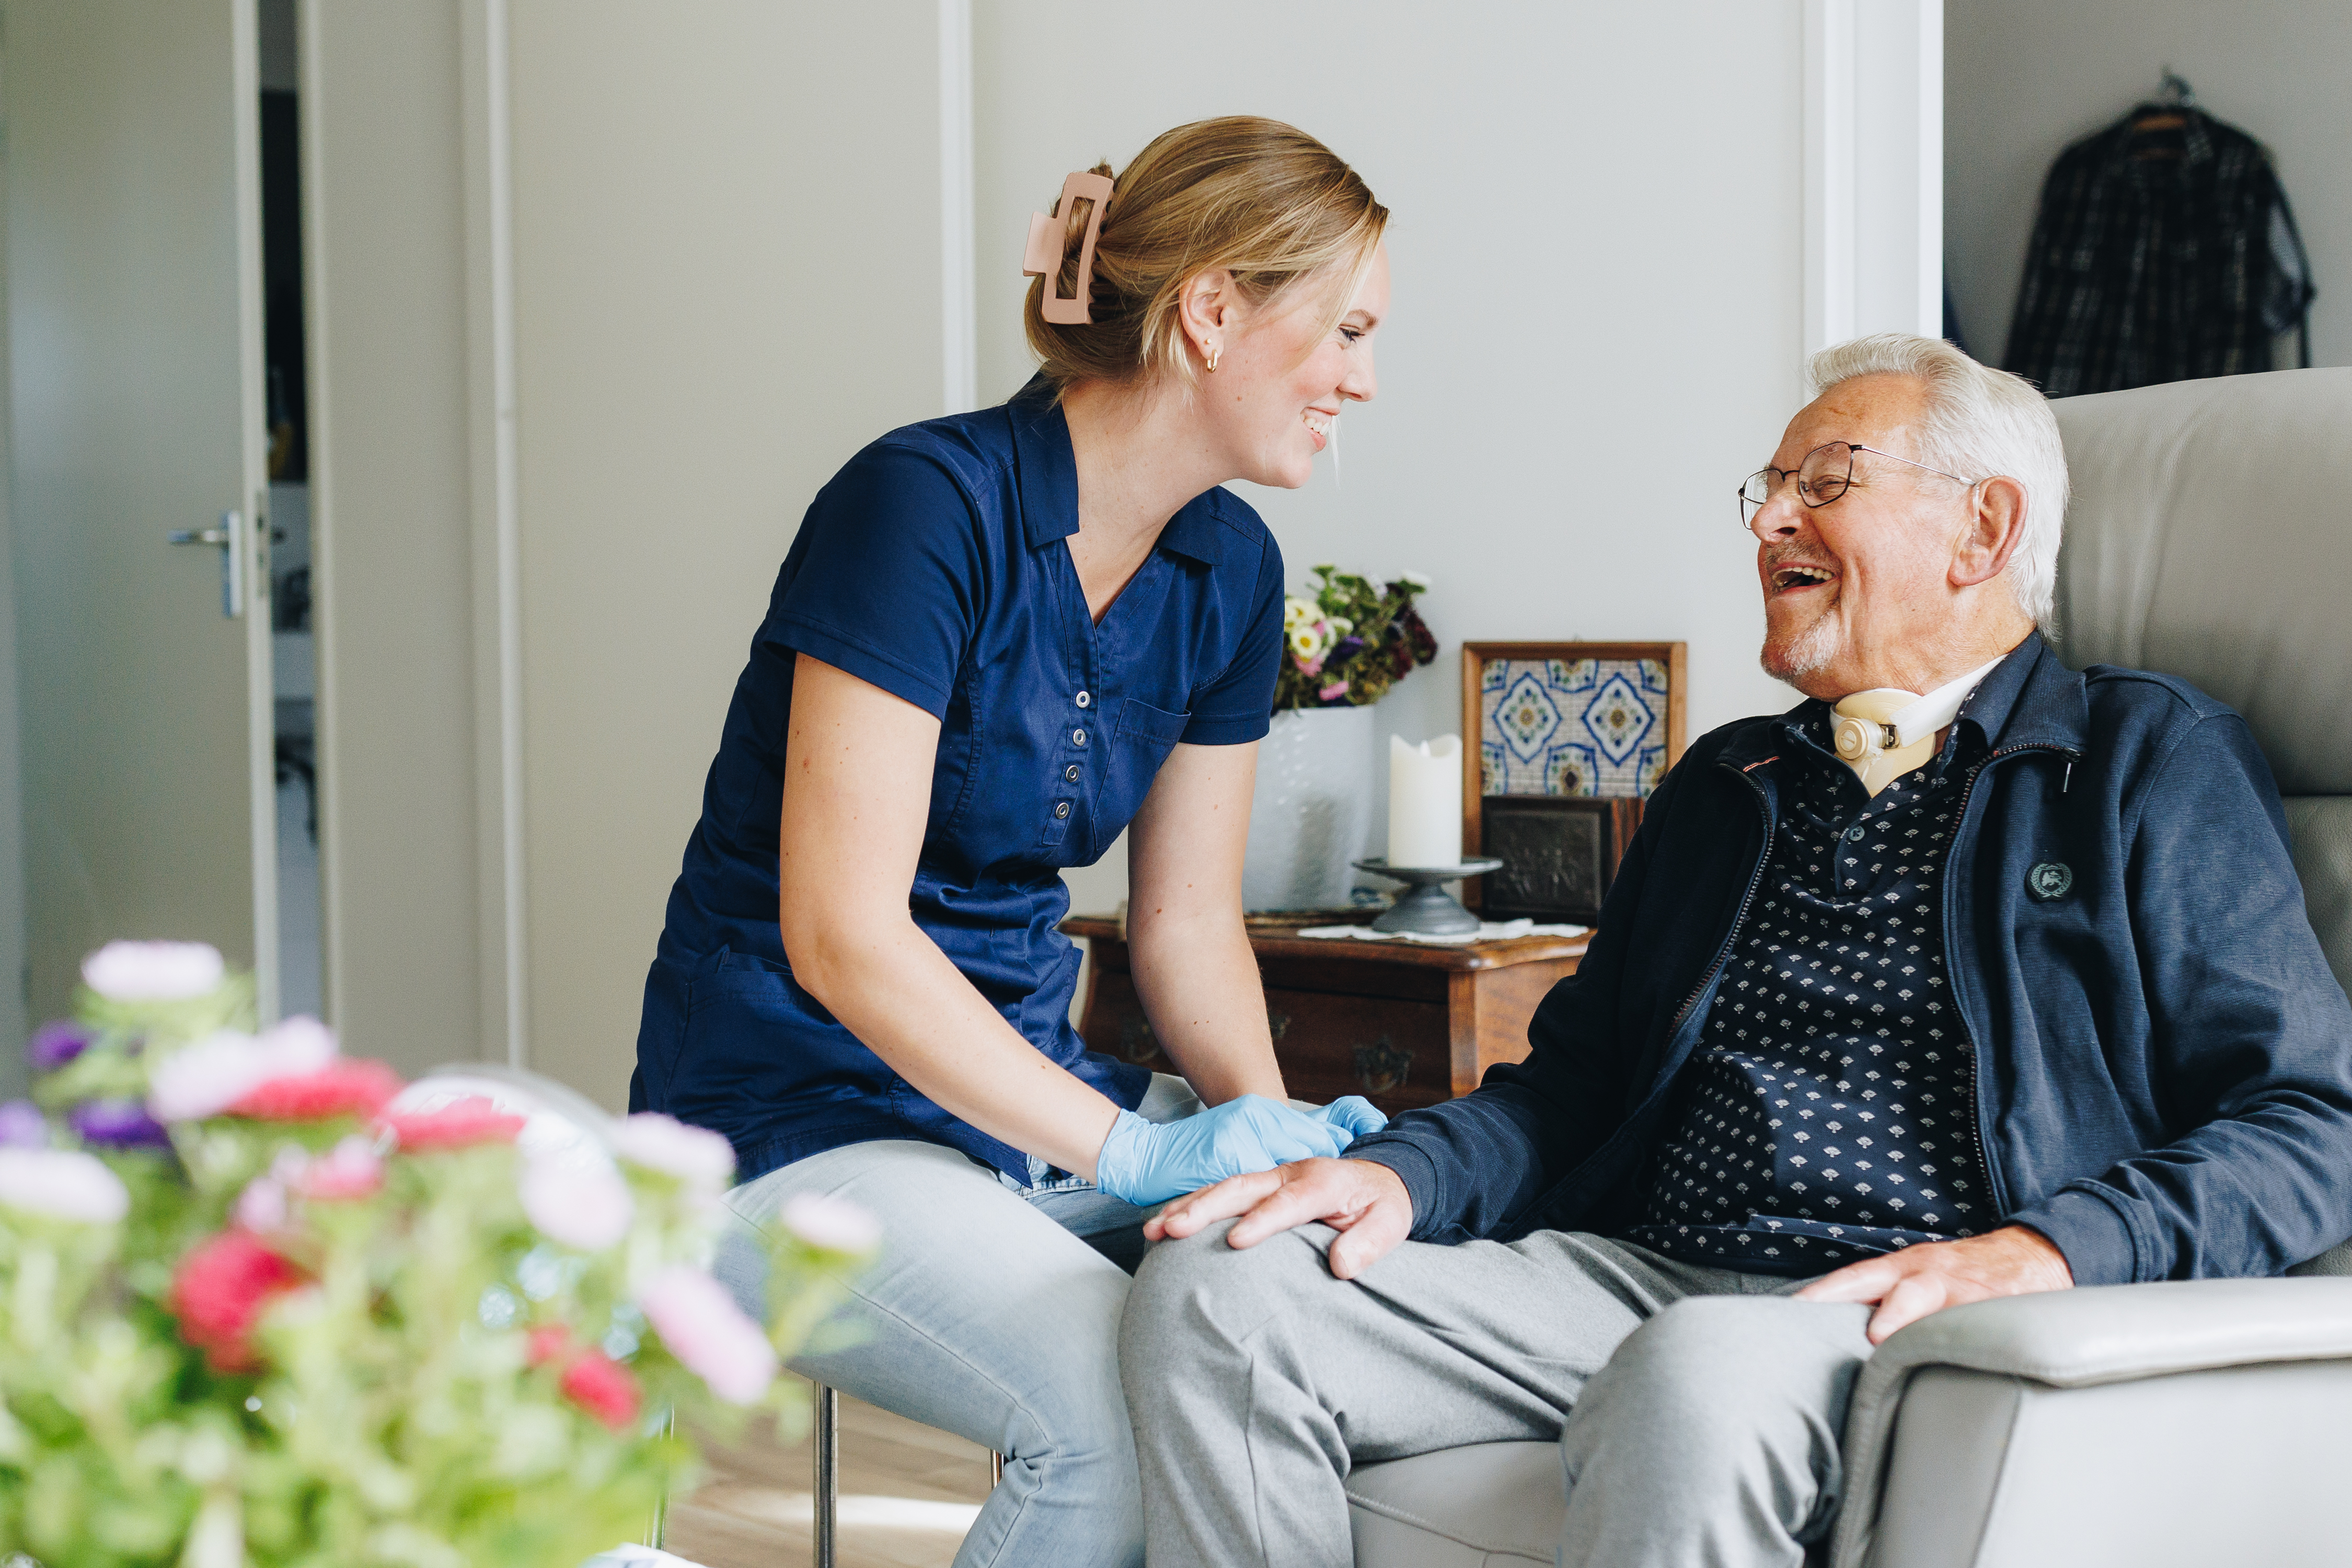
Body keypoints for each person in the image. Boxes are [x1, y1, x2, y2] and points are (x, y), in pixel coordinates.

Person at [1119, 331, 2352, 1568]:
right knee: (1221, 1288)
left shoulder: (2148, 758)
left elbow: (2313, 1120)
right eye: (1768, 492)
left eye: (1825, 483)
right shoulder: (1728, 781)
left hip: (1898, 1305)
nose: (1769, 523)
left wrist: (2052, 1250)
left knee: (1692, 1373)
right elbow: (1572, 1090)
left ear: (1982, 531)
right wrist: (1401, 1175)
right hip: (1638, 1276)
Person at [629, 117, 1392, 1567]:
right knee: (1102, 1428)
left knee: (1295, 1337)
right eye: (1344, 327)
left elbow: (1182, 926)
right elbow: (839, 933)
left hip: (1027, 1117)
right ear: (1212, 310)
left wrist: (1266, 1144)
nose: (1363, 376)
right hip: (799, 1123)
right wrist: (1129, 1148)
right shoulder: (921, 507)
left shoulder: (1228, 566)